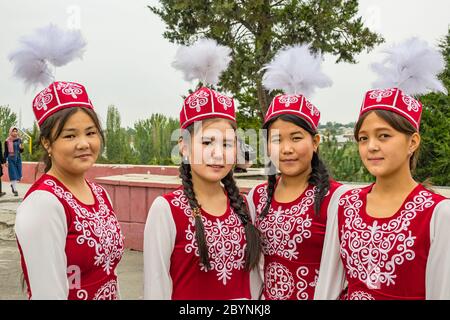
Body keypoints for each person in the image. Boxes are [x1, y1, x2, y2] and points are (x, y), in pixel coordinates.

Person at [314, 38, 450, 300]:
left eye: (384, 136)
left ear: (412, 142)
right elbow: (328, 287)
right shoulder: (345, 204)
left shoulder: (438, 214)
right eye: (363, 138)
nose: (371, 146)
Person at [11, 25, 124, 300]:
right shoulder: (43, 204)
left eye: (91, 132)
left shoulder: (100, 193)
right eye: (70, 135)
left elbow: (110, 276)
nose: (84, 143)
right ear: (47, 143)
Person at [144, 38, 262, 300]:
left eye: (228, 144)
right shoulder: (166, 210)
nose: (218, 154)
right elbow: (156, 287)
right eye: (207, 142)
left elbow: (253, 280)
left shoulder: (243, 205)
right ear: (184, 147)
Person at [245, 44, 350, 300]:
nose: (287, 149)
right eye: (277, 139)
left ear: (315, 142)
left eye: (296, 138)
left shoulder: (337, 199)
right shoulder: (257, 198)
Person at [4, 126, 24, 196]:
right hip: (11, 158)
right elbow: (6, 152)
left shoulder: (19, 140)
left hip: (18, 158)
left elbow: (21, 151)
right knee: (13, 174)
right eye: (13, 131)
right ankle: (15, 189)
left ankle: (13, 185)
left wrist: (21, 148)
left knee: (19, 174)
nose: (15, 132)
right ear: (10, 132)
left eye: (16, 131)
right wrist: (5, 161)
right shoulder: (7, 141)